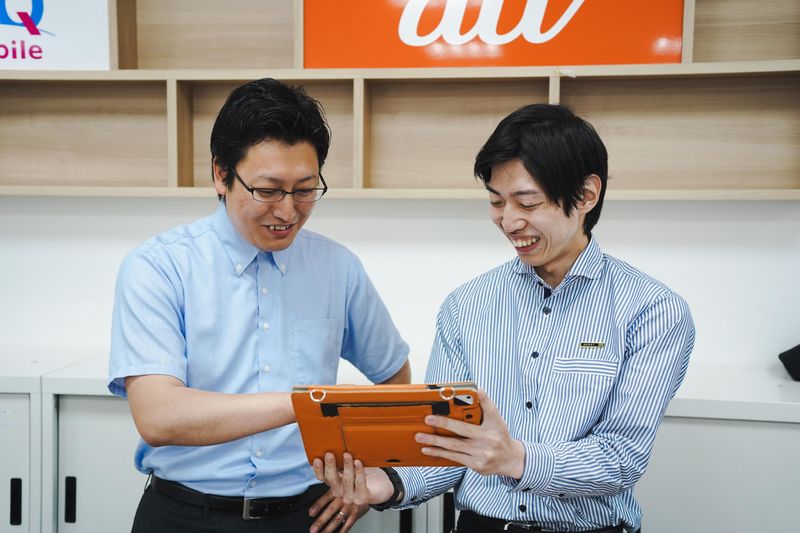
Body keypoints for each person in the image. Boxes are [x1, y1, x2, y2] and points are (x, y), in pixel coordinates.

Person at [317, 104, 695, 533]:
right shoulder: (466, 305)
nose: (509, 221)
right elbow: (446, 445)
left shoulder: (653, 311)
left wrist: (516, 459)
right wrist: (389, 482)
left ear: (587, 195)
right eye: (497, 202)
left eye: (527, 202)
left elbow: (621, 458)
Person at [108, 78, 411, 533]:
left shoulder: (338, 267)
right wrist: (308, 405)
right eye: (268, 190)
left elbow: (393, 376)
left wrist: (371, 473)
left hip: (305, 516)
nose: (288, 212)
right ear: (221, 174)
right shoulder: (160, 266)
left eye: (305, 189)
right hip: (184, 515)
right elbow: (158, 416)